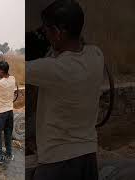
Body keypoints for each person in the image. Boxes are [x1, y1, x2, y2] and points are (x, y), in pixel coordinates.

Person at [26, 0, 104, 179]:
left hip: (57, 163)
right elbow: (80, 46)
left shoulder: (53, 70)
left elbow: (12, 68)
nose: (45, 35)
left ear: (59, 32)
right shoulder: (97, 56)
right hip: (88, 158)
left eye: (47, 31)